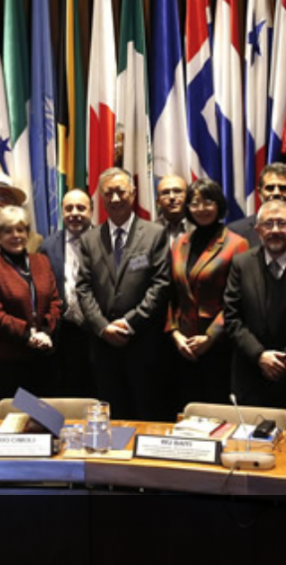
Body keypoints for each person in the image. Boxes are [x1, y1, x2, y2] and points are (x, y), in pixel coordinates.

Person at [76, 168, 171, 420]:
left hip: (142, 342)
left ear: (133, 193)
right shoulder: (90, 239)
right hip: (103, 346)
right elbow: (83, 288)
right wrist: (103, 327)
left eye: (120, 192)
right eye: (108, 193)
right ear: (101, 197)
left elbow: (160, 285)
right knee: (112, 416)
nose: (115, 198)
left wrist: (129, 323)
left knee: (145, 414)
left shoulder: (154, 234)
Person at [224, 200, 286, 429]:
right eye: (268, 224)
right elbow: (232, 317)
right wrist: (259, 355)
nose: (275, 230)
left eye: (282, 223)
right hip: (251, 373)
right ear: (258, 230)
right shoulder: (241, 263)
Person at [167, 179, 249, 411]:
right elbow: (171, 294)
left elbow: (237, 300)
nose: (201, 208)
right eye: (195, 203)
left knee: (216, 413)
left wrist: (210, 337)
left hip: (218, 346)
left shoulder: (236, 244)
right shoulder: (179, 243)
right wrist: (175, 334)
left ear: (219, 205)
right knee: (186, 411)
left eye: (208, 202)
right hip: (183, 346)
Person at [0, 206, 63, 410]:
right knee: (10, 423)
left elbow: (55, 302)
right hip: (6, 363)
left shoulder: (41, 261)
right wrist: (28, 335)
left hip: (41, 359)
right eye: (8, 231)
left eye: (20, 229)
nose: (16, 235)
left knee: (42, 421)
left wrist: (45, 332)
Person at [39, 189, 96, 397]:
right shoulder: (47, 246)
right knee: (65, 393)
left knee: (97, 392)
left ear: (91, 211)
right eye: (69, 208)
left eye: (81, 208)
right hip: (63, 332)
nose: (74, 213)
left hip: (97, 331)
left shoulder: (106, 240)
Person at [227, 163, 286, 247]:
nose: (276, 193)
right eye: (270, 188)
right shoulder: (237, 231)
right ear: (259, 193)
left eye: (283, 188)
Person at [156, 175, 194, 242]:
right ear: (158, 201)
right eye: (165, 193)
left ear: (188, 196)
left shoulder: (200, 226)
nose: (172, 197)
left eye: (177, 191)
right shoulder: (150, 231)